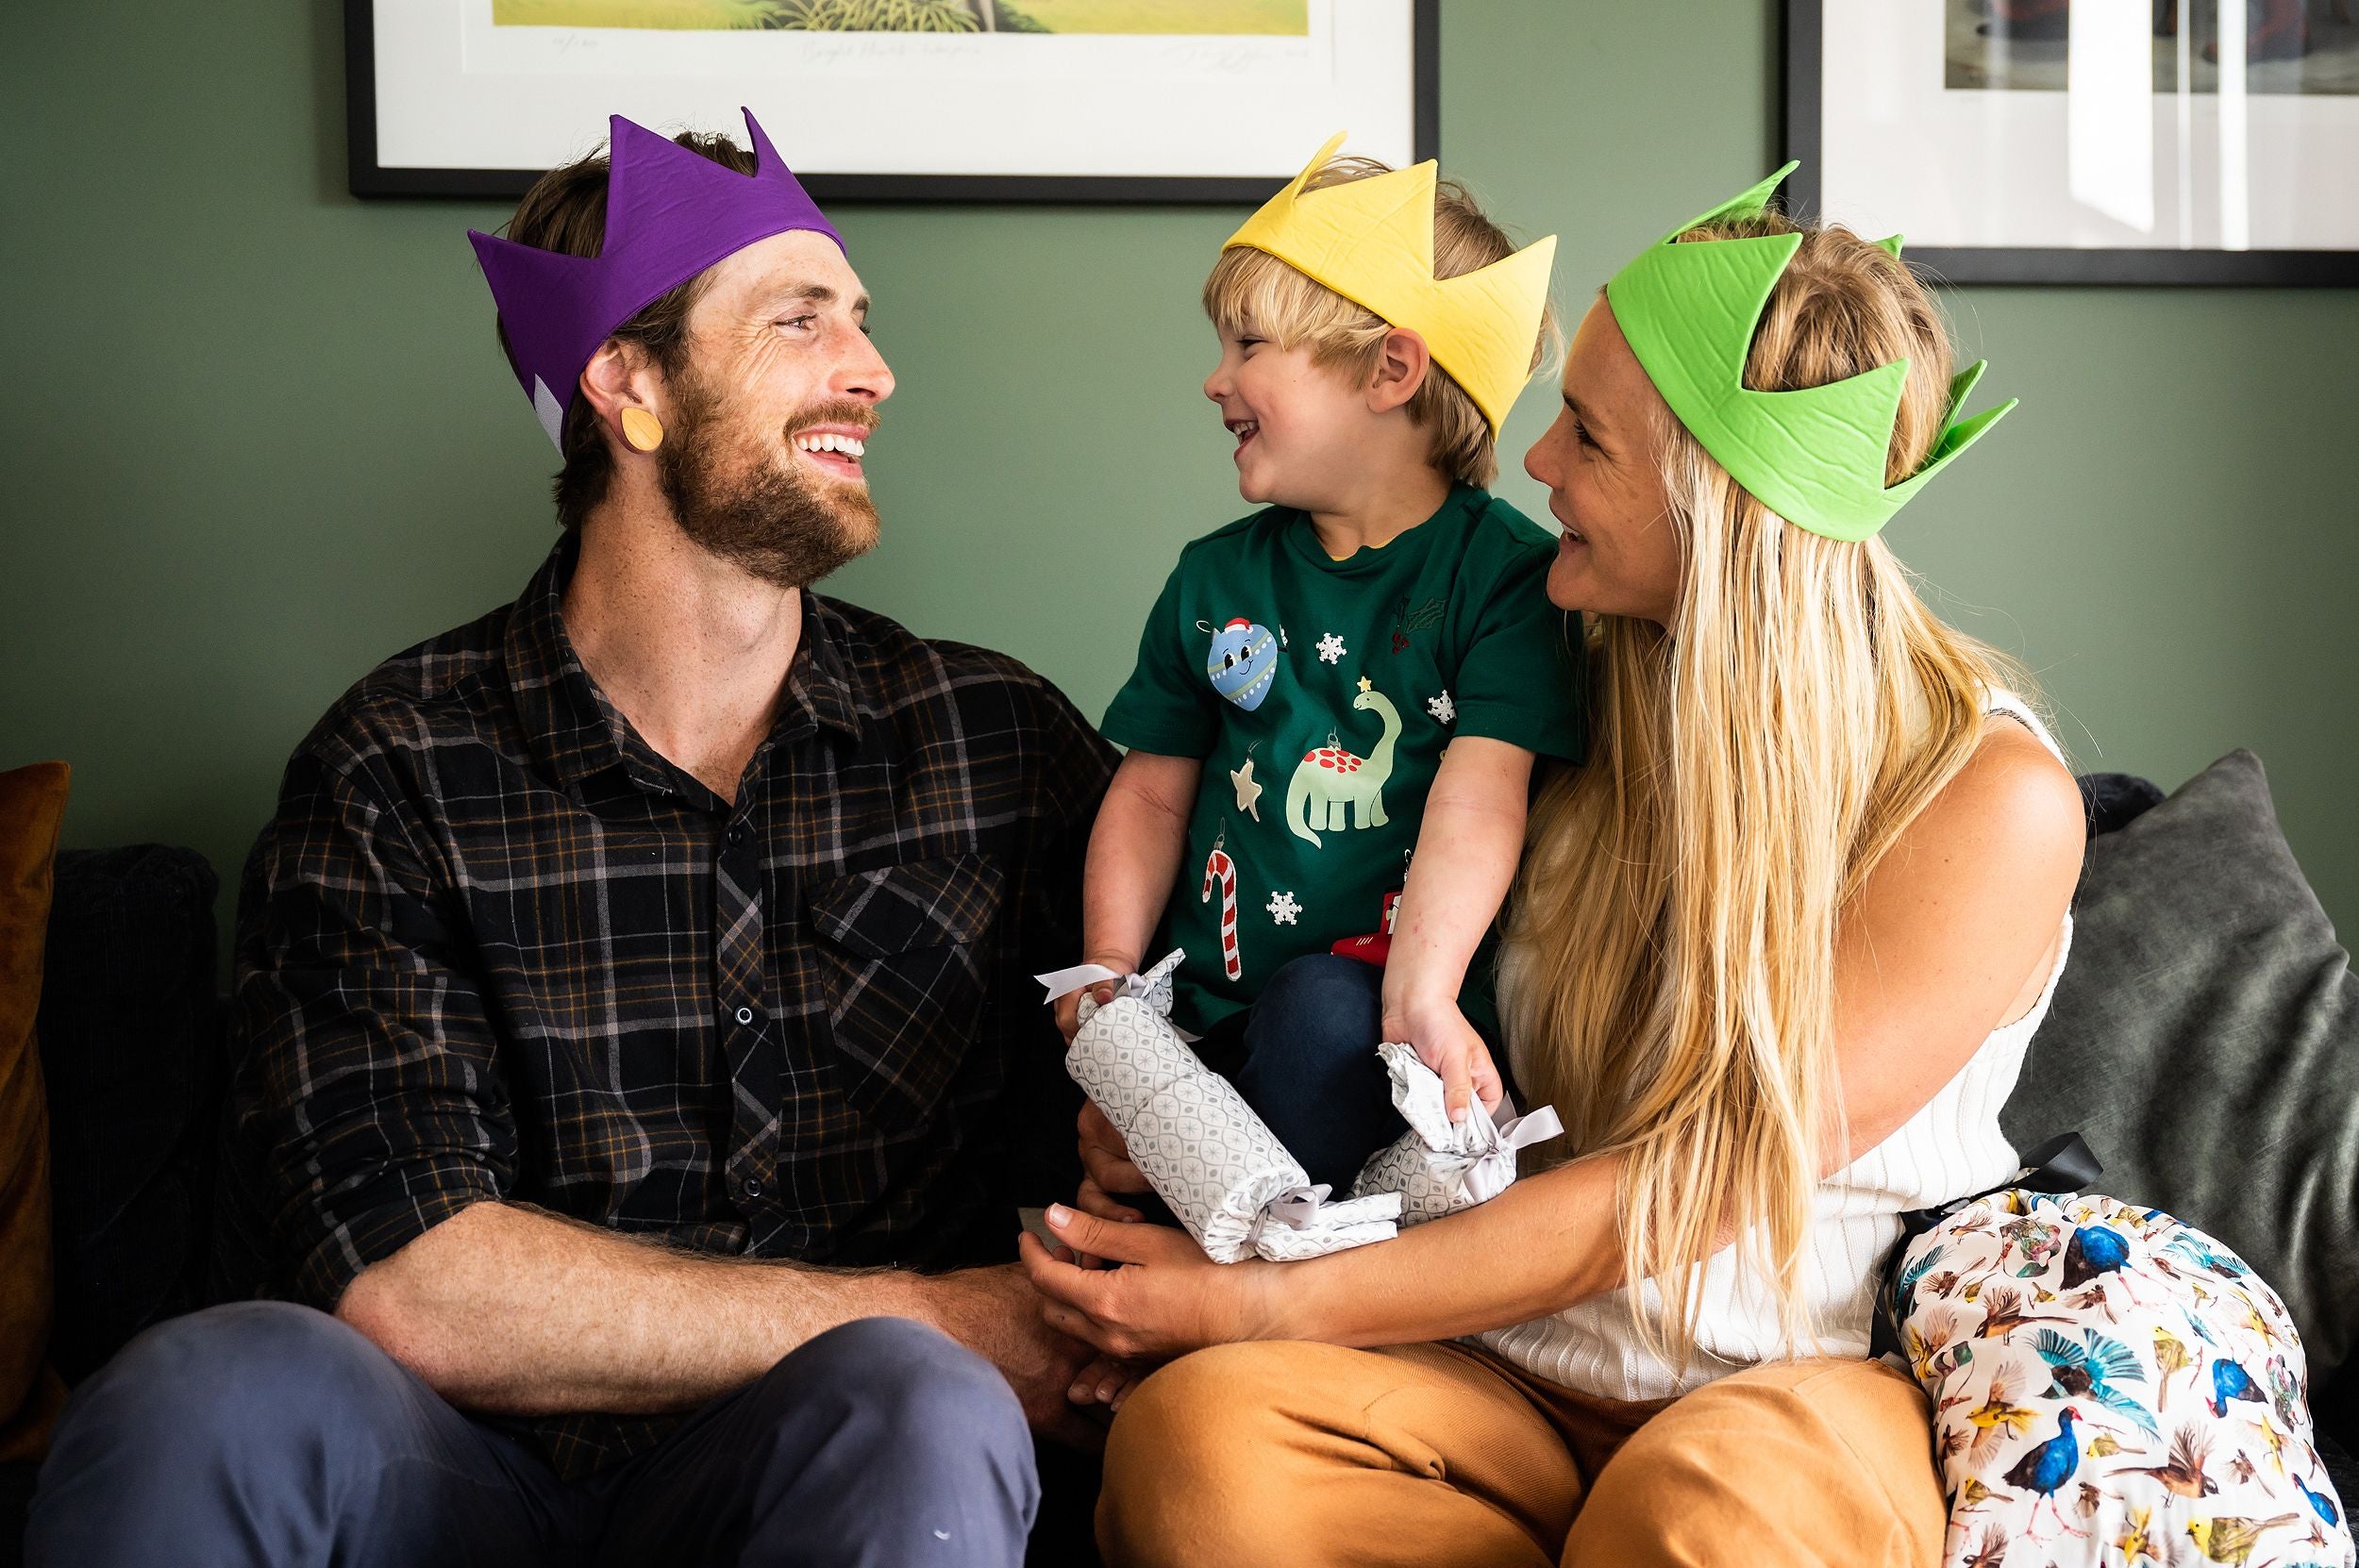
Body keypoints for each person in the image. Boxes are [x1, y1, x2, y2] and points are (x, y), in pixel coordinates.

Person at [28, 110, 1113, 1568]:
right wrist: (929, 1304)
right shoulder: (394, 766)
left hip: (832, 1473)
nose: (873, 368)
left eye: (860, 321)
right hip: (460, 1481)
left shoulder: (998, 745)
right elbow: (408, 1281)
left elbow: (1179, 1067)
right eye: (801, 321)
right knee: (207, 1385)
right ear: (627, 382)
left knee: (921, 1400)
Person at [1027, 164, 2085, 1568]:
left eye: (1584, 436)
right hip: (1499, 1369)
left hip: (1789, 1386)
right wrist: (1178, 1119)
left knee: (1701, 1514)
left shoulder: (1985, 793)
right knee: (1202, 1454)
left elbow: (1693, 1183)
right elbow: (1313, 915)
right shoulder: (1542, 668)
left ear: (1716, 498)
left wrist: (1247, 1307)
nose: (1532, 467)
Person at [1060, 134, 1581, 1201]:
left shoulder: (1504, 583)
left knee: (1321, 1015)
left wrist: (1423, 997)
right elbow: (1153, 792)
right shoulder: (1214, 580)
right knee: (1105, 1128)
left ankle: (1274, 1262)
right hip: (1197, 1020)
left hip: (1378, 1028)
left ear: (1390, 369)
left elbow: (1480, 805)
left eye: (1249, 345)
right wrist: (1107, 976)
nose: (1215, 380)